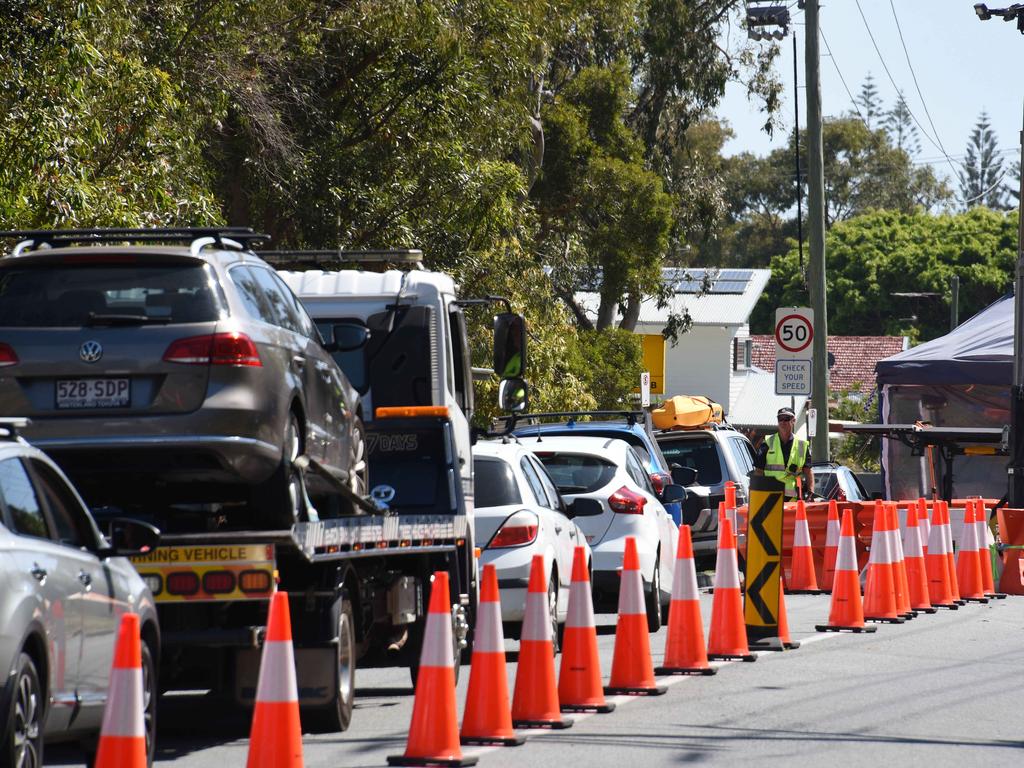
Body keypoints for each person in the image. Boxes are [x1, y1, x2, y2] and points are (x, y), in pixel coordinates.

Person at [754, 407, 813, 499]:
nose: (783, 422)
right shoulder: (768, 442)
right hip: (770, 496)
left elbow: (808, 471)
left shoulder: (802, 444)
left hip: (793, 499)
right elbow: (759, 471)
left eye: (786, 419)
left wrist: (810, 492)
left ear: (793, 421)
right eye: (780, 419)